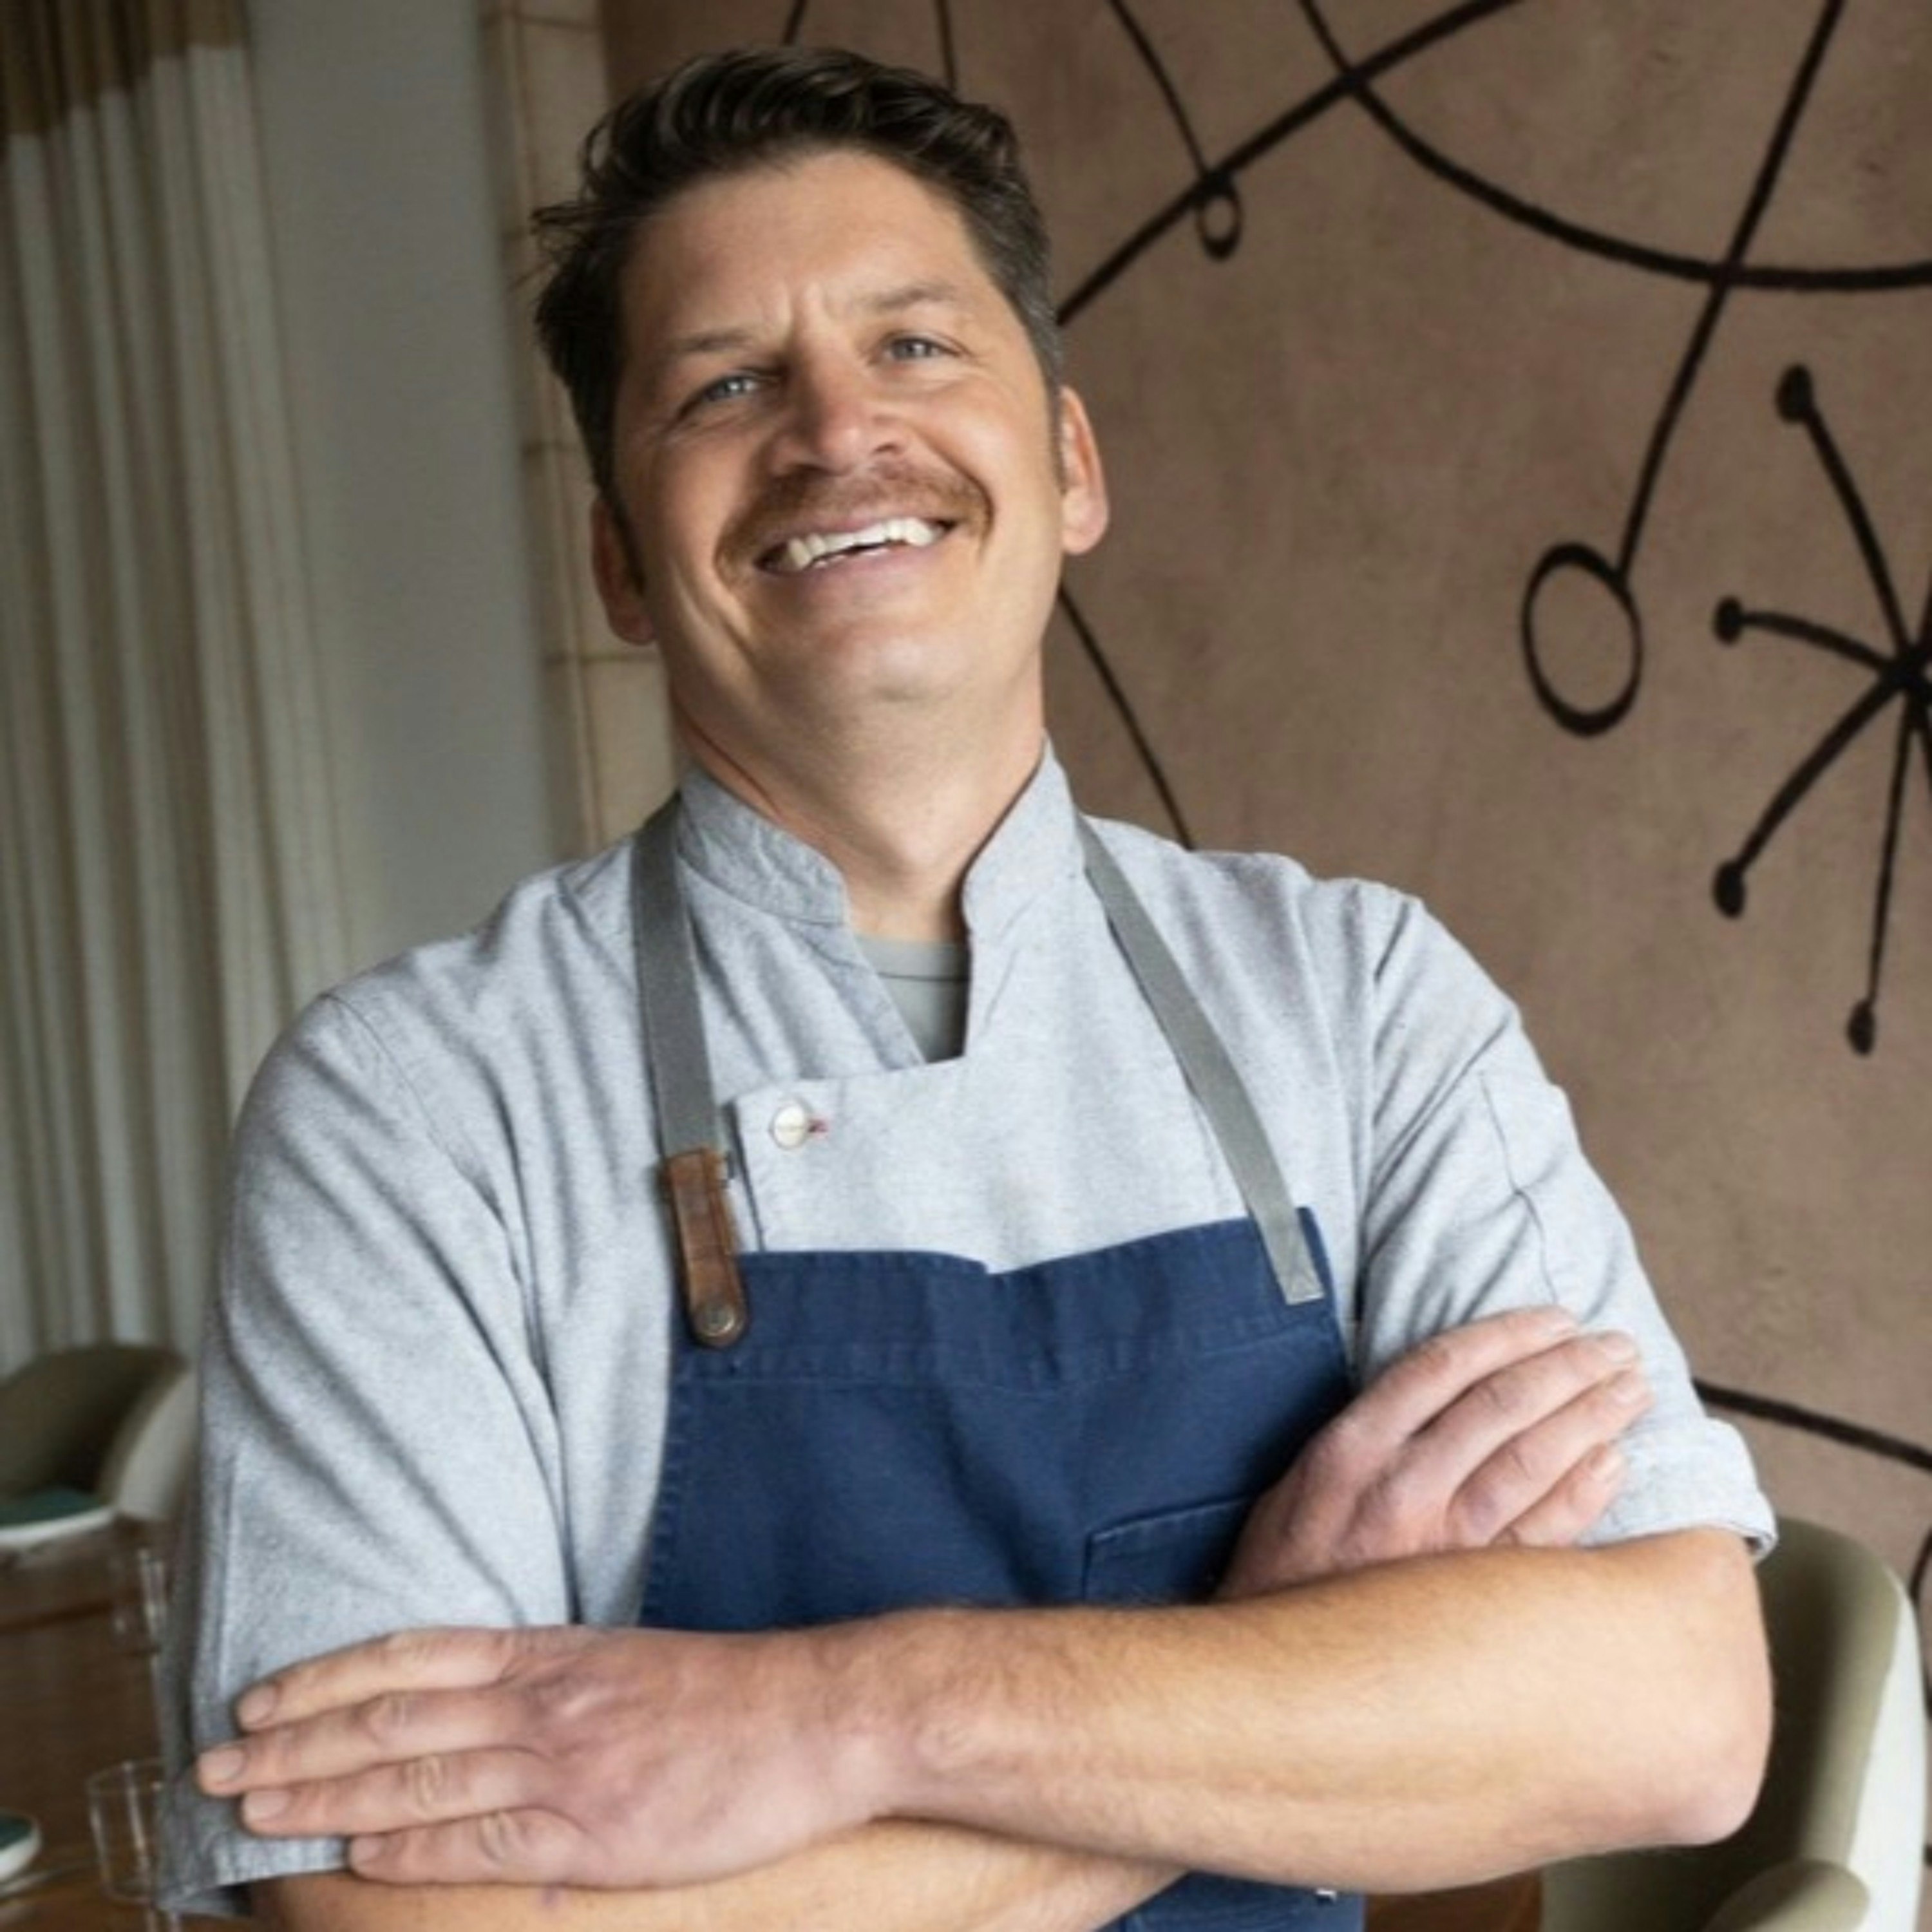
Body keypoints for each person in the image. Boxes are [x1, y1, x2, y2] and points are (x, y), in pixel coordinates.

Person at [160, 45, 1775, 1932]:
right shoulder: (411, 1106)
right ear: (619, 561)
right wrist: (1260, 1666)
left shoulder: (1356, 1000)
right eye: (724, 385)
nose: (837, 432)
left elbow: (1677, 1714)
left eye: (916, 346)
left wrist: (858, 1713)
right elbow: (391, 1923)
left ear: (1071, 466)